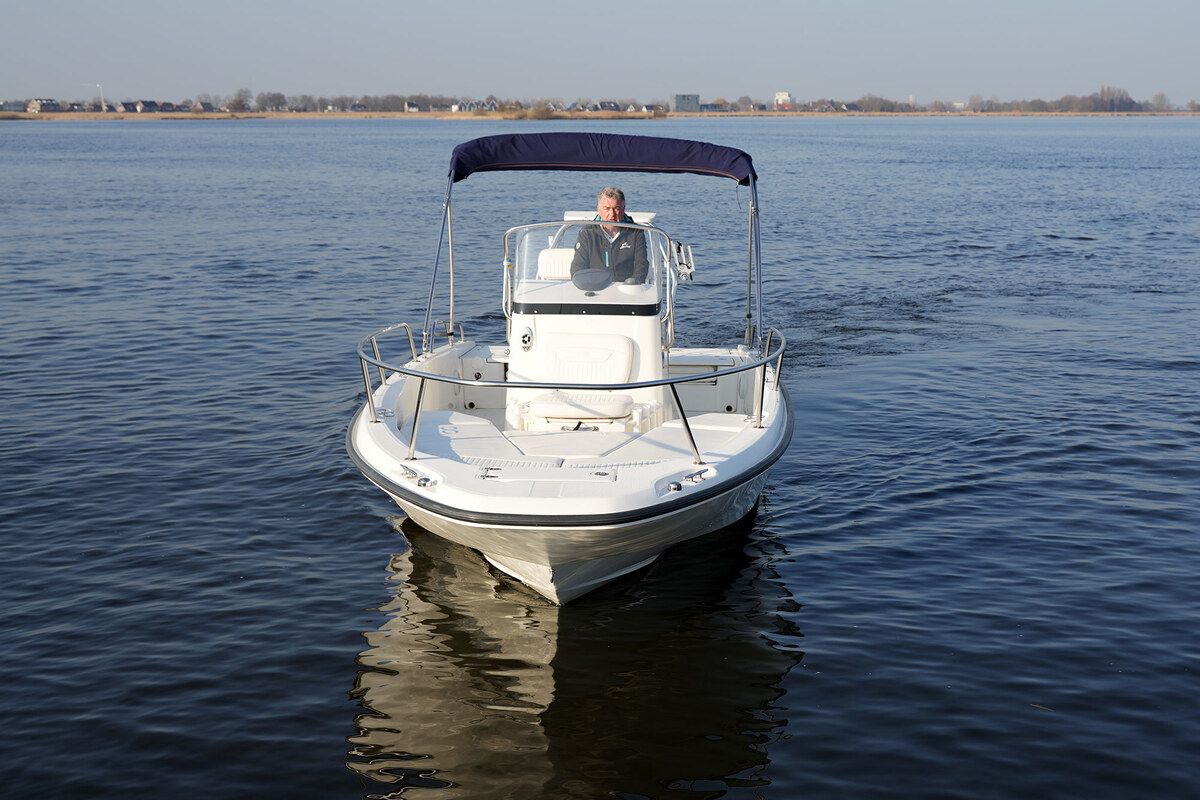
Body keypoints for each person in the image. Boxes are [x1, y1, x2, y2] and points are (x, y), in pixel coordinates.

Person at [570, 187, 648, 283]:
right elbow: (577, 269)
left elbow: (641, 266)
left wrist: (632, 287)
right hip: (594, 289)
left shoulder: (636, 233)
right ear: (599, 209)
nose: (612, 214)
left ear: (623, 209)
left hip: (627, 290)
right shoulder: (586, 234)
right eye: (606, 209)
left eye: (616, 208)